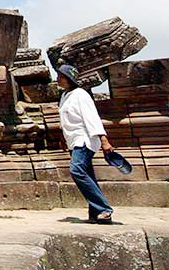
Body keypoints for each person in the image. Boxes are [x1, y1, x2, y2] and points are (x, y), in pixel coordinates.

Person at [56, 64, 114, 223]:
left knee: (77, 170)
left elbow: (91, 117)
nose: (58, 79)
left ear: (69, 79)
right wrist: (63, 138)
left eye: (61, 76)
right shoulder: (65, 96)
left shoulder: (81, 94)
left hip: (85, 139)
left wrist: (104, 140)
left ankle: (104, 208)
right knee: (87, 175)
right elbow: (66, 120)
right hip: (73, 141)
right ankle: (96, 214)